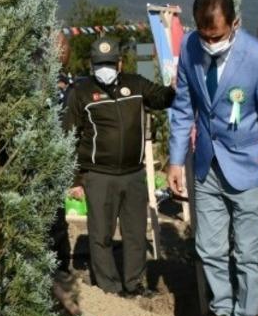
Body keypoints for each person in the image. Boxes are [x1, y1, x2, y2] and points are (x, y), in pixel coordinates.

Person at [167, 0, 258, 316]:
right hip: (207, 164)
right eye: (204, 36)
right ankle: (221, 308)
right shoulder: (189, 47)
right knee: (209, 246)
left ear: (236, 23)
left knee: (247, 253)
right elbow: (183, 107)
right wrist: (175, 160)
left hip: (249, 167)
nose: (210, 43)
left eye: (217, 36)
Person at [63, 39, 175, 295]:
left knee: (135, 233)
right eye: (99, 64)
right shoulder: (81, 92)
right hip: (98, 175)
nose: (105, 68)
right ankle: (109, 288)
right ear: (91, 65)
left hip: (133, 174)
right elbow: (69, 136)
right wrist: (75, 179)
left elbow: (160, 98)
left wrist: (173, 89)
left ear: (120, 63)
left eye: (110, 63)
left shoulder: (136, 84)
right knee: (101, 235)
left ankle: (134, 284)